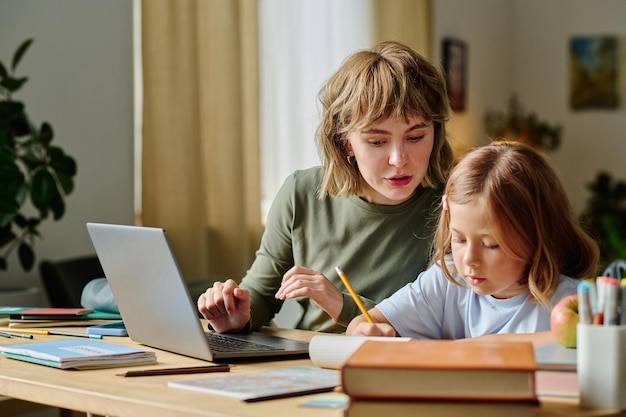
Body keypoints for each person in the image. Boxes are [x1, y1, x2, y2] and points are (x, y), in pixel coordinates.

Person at [197, 41, 455, 333]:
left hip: (400, 369)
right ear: (346, 141)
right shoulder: (301, 192)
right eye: (377, 141)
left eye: (416, 137)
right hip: (309, 362)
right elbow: (261, 293)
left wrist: (340, 304)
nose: (399, 159)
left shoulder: (455, 203)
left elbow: (439, 323)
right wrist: (238, 314)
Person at [346, 140, 599, 338]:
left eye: (490, 245)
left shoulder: (570, 304)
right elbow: (368, 323)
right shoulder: (448, 281)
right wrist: (364, 329)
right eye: (459, 239)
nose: (469, 261)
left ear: (536, 237)